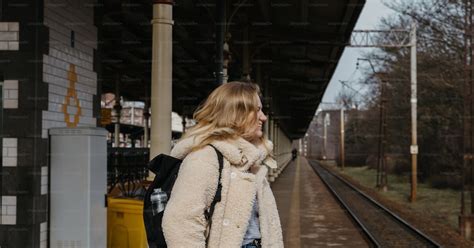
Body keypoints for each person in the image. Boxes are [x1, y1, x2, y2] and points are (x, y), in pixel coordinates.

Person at [162, 81, 283, 248]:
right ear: (236, 113)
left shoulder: (250, 160)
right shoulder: (205, 157)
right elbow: (180, 223)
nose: (263, 117)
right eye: (257, 110)